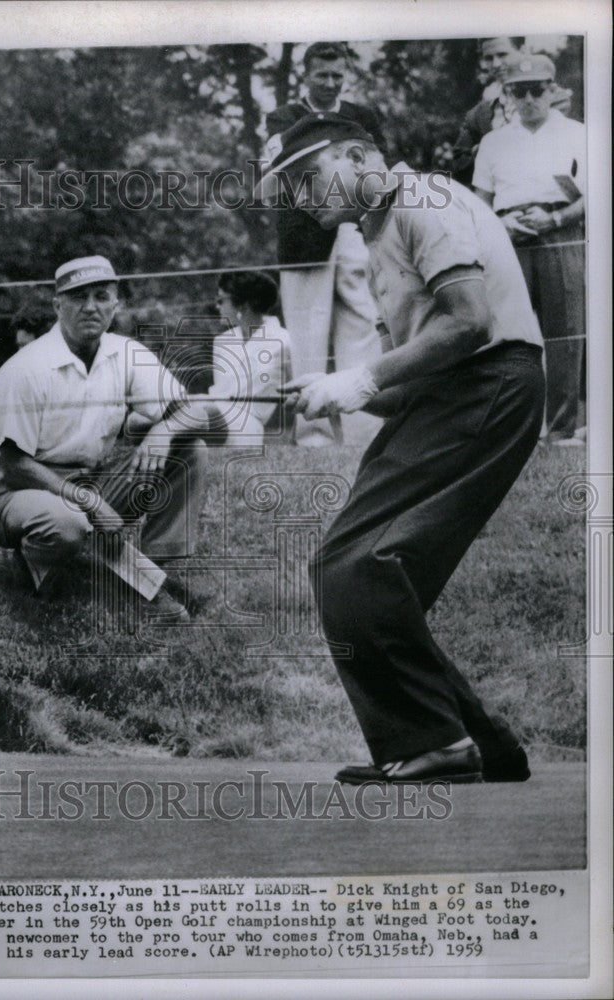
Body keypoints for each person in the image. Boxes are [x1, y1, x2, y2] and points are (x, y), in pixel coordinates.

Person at [257, 113, 544, 784]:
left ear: (360, 156)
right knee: (361, 572)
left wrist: (359, 378)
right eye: (291, 188)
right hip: (451, 393)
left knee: (358, 564)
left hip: (489, 384)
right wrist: (328, 389)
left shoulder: (424, 199)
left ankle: (434, 743)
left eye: (309, 176)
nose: (302, 198)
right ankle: (474, 743)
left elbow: (469, 323)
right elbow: (407, 370)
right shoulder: (375, 231)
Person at [0, 255, 209, 619]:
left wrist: (164, 429)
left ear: (116, 305)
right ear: (57, 305)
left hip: (92, 478)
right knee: (67, 525)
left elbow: (196, 413)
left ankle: (154, 572)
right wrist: (93, 504)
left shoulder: (125, 352)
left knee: (189, 449)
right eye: (78, 297)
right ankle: (37, 561)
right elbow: (15, 465)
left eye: (101, 296)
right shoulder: (26, 367)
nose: (90, 307)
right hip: (20, 490)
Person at [265, 42, 383, 448]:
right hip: (304, 233)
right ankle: (313, 431)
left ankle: (364, 425)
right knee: (307, 330)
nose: (331, 83)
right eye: (322, 75)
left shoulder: (362, 116)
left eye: (338, 75)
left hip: (353, 226)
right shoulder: (283, 117)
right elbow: (284, 174)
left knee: (362, 319)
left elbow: (373, 166)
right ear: (306, 75)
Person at [473, 54, 586, 444]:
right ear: (507, 94)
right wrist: (499, 225)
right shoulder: (493, 142)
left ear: (552, 89)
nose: (529, 100)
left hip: (560, 233)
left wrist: (555, 219)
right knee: (510, 335)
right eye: (519, 92)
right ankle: (513, 429)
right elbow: (479, 202)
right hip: (509, 238)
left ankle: (561, 430)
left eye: (537, 90)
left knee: (565, 332)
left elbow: (594, 196)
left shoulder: (578, 133)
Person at [451, 37, 572, 185]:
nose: (495, 64)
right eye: (488, 58)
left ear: (523, 51)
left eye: (502, 55)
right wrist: (481, 152)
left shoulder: (555, 99)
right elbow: (458, 163)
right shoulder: (478, 113)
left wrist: (486, 148)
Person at [205, 271, 292, 447]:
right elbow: (219, 394)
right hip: (213, 416)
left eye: (221, 300)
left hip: (246, 425)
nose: (217, 306)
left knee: (189, 413)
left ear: (242, 306)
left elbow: (299, 393)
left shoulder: (283, 341)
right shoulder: (221, 342)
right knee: (137, 421)